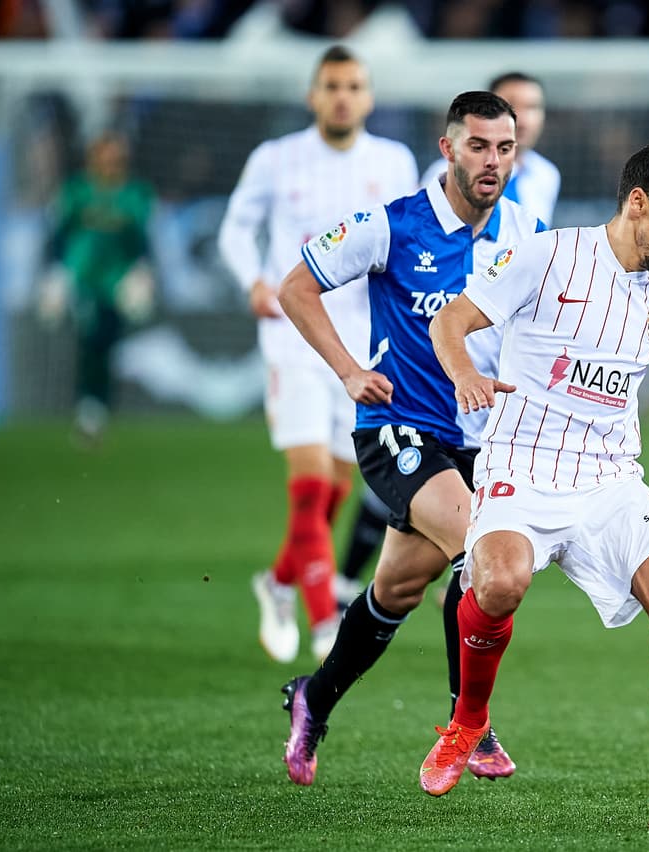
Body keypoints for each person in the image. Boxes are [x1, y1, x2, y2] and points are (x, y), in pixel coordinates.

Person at [422, 142, 649, 834]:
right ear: (637, 203)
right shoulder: (548, 256)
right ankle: (468, 722)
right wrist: (464, 373)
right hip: (520, 463)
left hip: (608, 476)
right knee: (497, 584)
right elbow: (449, 321)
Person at [276, 90, 543, 787]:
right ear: (447, 147)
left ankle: (313, 698)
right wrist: (348, 370)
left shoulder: (527, 231)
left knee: (394, 590)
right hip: (398, 429)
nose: (492, 161)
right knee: (479, 555)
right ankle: (470, 725)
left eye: (505, 148)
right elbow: (296, 288)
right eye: (478, 146)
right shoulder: (391, 225)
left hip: (478, 442)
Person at [217, 45, 419, 664]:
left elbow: (411, 238)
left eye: (353, 85)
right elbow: (234, 227)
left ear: (369, 98)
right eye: (331, 85)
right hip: (295, 340)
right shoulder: (276, 159)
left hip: (363, 346)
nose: (342, 96)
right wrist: (252, 277)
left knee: (332, 493)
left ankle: (278, 583)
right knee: (308, 491)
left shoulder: (392, 161)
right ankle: (325, 619)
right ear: (313, 95)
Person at [44, 132, 155, 445]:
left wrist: (142, 272)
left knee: (107, 342)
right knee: (91, 340)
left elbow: (142, 240)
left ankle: (97, 408)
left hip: (117, 282)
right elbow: (58, 235)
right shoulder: (76, 191)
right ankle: (89, 407)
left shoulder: (135, 193)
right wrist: (55, 274)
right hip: (84, 280)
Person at [422, 71, 560, 225]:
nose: (523, 119)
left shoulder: (546, 175)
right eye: (511, 106)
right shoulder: (447, 173)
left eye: (532, 107)